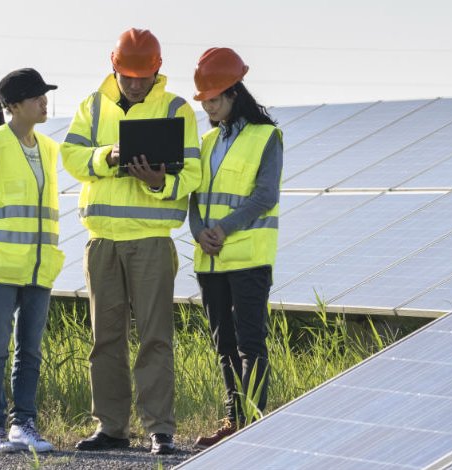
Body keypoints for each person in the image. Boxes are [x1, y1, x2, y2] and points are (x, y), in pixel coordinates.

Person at [62, 28, 201, 456]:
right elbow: (70, 157)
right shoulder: (91, 105)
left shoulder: (177, 108)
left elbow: (193, 174)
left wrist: (162, 182)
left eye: (144, 76)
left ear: (157, 70)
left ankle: (160, 429)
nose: (136, 84)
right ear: (114, 66)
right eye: (129, 76)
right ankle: (112, 427)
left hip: (152, 242)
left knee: (155, 338)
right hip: (102, 242)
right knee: (105, 339)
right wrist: (108, 157)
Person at [183, 48, 283, 449]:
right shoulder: (205, 142)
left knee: (250, 343)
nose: (207, 106)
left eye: (213, 99)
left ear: (233, 93)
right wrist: (198, 232)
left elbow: (265, 196)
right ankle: (233, 419)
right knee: (223, 344)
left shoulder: (266, 137)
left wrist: (222, 228)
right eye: (204, 100)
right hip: (210, 260)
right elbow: (191, 195)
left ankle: (253, 423)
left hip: (249, 258)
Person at [0, 68, 63, 454]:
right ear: (14, 106)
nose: (44, 101)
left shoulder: (50, 149)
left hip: (39, 267)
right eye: (37, 96)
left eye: (44, 95)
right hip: (0, 267)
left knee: (31, 350)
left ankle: (24, 424)